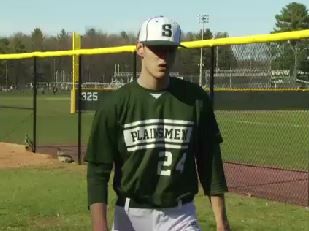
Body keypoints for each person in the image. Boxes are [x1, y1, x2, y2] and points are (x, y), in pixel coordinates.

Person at [86, 16, 231, 231]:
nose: (164, 57)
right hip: (130, 215)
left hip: (180, 215)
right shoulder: (115, 104)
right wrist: (100, 226)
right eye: (157, 49)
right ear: (140, 48)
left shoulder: (195, 100)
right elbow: (98, 170)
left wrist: (221, 221)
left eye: (170, 50)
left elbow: (210, 162)